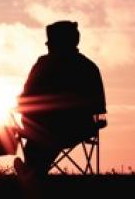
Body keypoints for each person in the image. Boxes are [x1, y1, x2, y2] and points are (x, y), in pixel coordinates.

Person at [15, 21, 106, 176]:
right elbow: (99, 107)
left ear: (56, 43)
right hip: (79, 129)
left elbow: (25, 99)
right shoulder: (89, 67)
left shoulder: (43, 64)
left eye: (49, 43)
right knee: (47, 135)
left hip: (45, 128)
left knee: (43, 135)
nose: (48, 47)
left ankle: (32, 171)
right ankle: (33, 171)